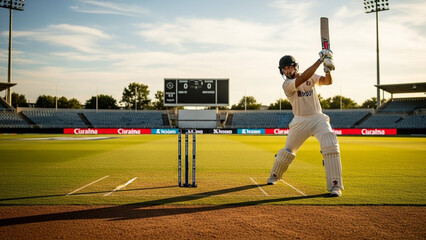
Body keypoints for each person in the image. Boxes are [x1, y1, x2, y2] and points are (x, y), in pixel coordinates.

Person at [267, 50, 343, 197]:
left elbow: (328, 82)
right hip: (300, 121)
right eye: (285, 69)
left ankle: (335, 185)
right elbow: (303, 78)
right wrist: (320, 61)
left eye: (289, 67)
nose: (287, 71)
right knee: (287, 152)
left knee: (331, 144)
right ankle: (274, 175)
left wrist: (327, 71)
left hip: (318, 118)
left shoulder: (310, 76)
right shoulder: (287, 84)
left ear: (295, 67)